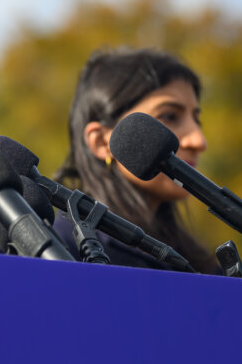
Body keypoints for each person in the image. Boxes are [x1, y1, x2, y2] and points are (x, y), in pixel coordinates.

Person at [52, 48, 220, 274]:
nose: (198, 140)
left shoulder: (200, 263)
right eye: (170, 116)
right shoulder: (58, 252)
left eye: (197, 119)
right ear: (102, 142)